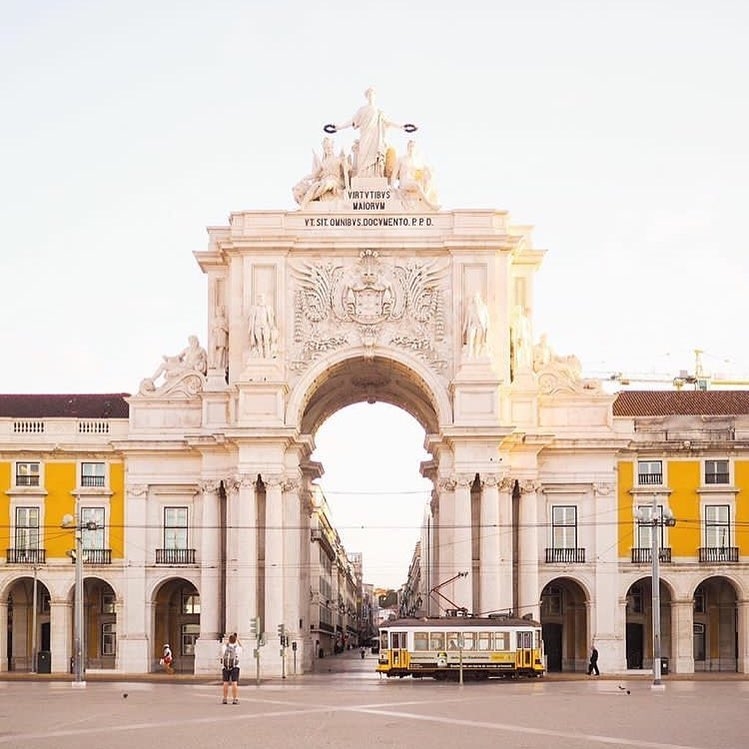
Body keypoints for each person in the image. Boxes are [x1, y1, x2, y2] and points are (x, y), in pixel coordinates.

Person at [327, 88, 413, 178]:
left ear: (375, 96)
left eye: (372, 94)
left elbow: (388, 122)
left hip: (376, 138)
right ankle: (362, 174)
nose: (371, 96)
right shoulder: (362, 110)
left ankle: (375, 175)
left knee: (375, 156)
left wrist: (402, 127)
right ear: (366, 97)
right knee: (363, 154)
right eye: (369, 95)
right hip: (365, 136)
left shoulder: (379, 111)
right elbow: (352, 121)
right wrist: (339, 127)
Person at [297, 137, 347, 207]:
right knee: (315, 185)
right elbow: (314, 175)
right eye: (326, 148)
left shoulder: (338, 159)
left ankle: (311, 199)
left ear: (332, 148)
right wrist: (304, 178)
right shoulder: (323, 163)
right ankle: (304, 204)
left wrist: (346, 164)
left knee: (326, 184)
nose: (328, 149)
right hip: (325, 180)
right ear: (324, 150)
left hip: (335, 181)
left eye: (330, 147)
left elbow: (347, 171)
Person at [396, 140, 439, 208]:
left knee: (428, 179)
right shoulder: (401, 159)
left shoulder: (416, 161)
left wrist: (428, 171)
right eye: (410, 146)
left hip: (412, 182)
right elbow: (394, 175)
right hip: (404, 183)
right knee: (417, 185)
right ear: (407, 148)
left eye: (413, 146)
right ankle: (429, 204)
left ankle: (425, 202)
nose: (411, 148)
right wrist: (392, 187)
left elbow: (421, 172)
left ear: (415, 149)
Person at [248, 293, 277, 359]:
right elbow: (253, 320)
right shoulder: (255, 308)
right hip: (257, 326)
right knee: (259, 342)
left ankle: (267, 356)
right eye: (259, 298)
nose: (261, 299)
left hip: (265, 326)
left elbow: (270, 320)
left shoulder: (268, 308)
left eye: (262, 297)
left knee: (266, 341)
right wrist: (251, 331)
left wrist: (272, 328)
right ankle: (260, 356)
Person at [463, 291, 489, 358]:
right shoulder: (470, 308)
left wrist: (487, 328)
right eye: (474, 298)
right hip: (473, 326)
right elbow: (466, 320)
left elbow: (487, 319)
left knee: (478, 341)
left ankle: (477, 355)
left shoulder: (483, 307)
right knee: (471, 336)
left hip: (481, 327)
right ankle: (469, 354)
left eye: (476, 298)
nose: (475, 300)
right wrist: (464, 329)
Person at [220, 633, 242, 704]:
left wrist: (229, 641)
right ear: (235, 640)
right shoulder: (238, 648)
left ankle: (225, 699)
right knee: (234, 683)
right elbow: (241, 647)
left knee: (225, 683)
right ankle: (235, 699)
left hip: (225, 667)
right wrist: (237, 640)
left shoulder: (224, 647)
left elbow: (223, 651)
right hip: (235, 667)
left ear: (229, 640)